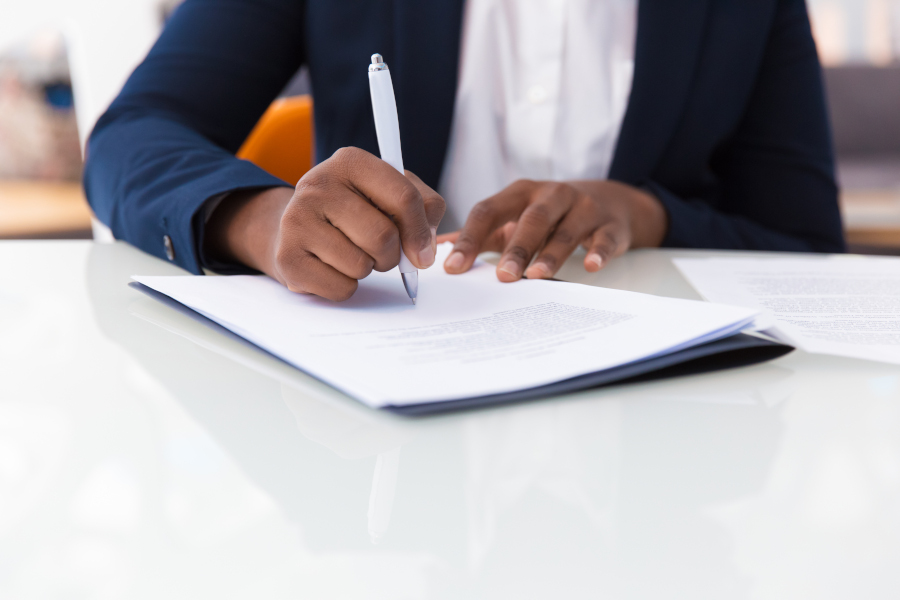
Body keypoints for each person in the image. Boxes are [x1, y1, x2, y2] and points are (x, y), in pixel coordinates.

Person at [84, 0, 844, 302]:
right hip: (376, 406)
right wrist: (264, 219)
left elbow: (806, 245)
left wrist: (643, 213)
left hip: (664, 431)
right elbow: (133, 135)